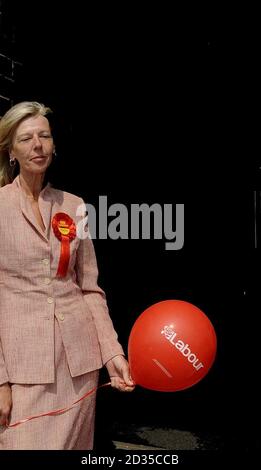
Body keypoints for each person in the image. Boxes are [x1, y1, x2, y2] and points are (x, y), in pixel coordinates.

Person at [0, 101, 135, 450]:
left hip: (79, 363)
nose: (38, 145)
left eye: (44, 135)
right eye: (27, 138)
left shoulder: (74, 205)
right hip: (22, 369)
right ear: (11, 150)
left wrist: (112, 355)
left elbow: (90, 289)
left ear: (54, 145)